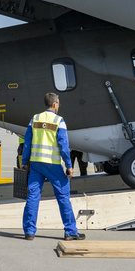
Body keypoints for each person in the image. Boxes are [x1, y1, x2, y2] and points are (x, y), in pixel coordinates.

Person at [21, 93, 83, 241]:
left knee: (33, 196)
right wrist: (69, 165)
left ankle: (29, 232)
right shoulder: (59, 121)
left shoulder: (34, 119)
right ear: (55, 104)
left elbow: (27, 142)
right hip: (53, 164)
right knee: (63, 197)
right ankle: (70, 231)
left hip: (36, 164)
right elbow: (63, 146)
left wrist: (24, 161)